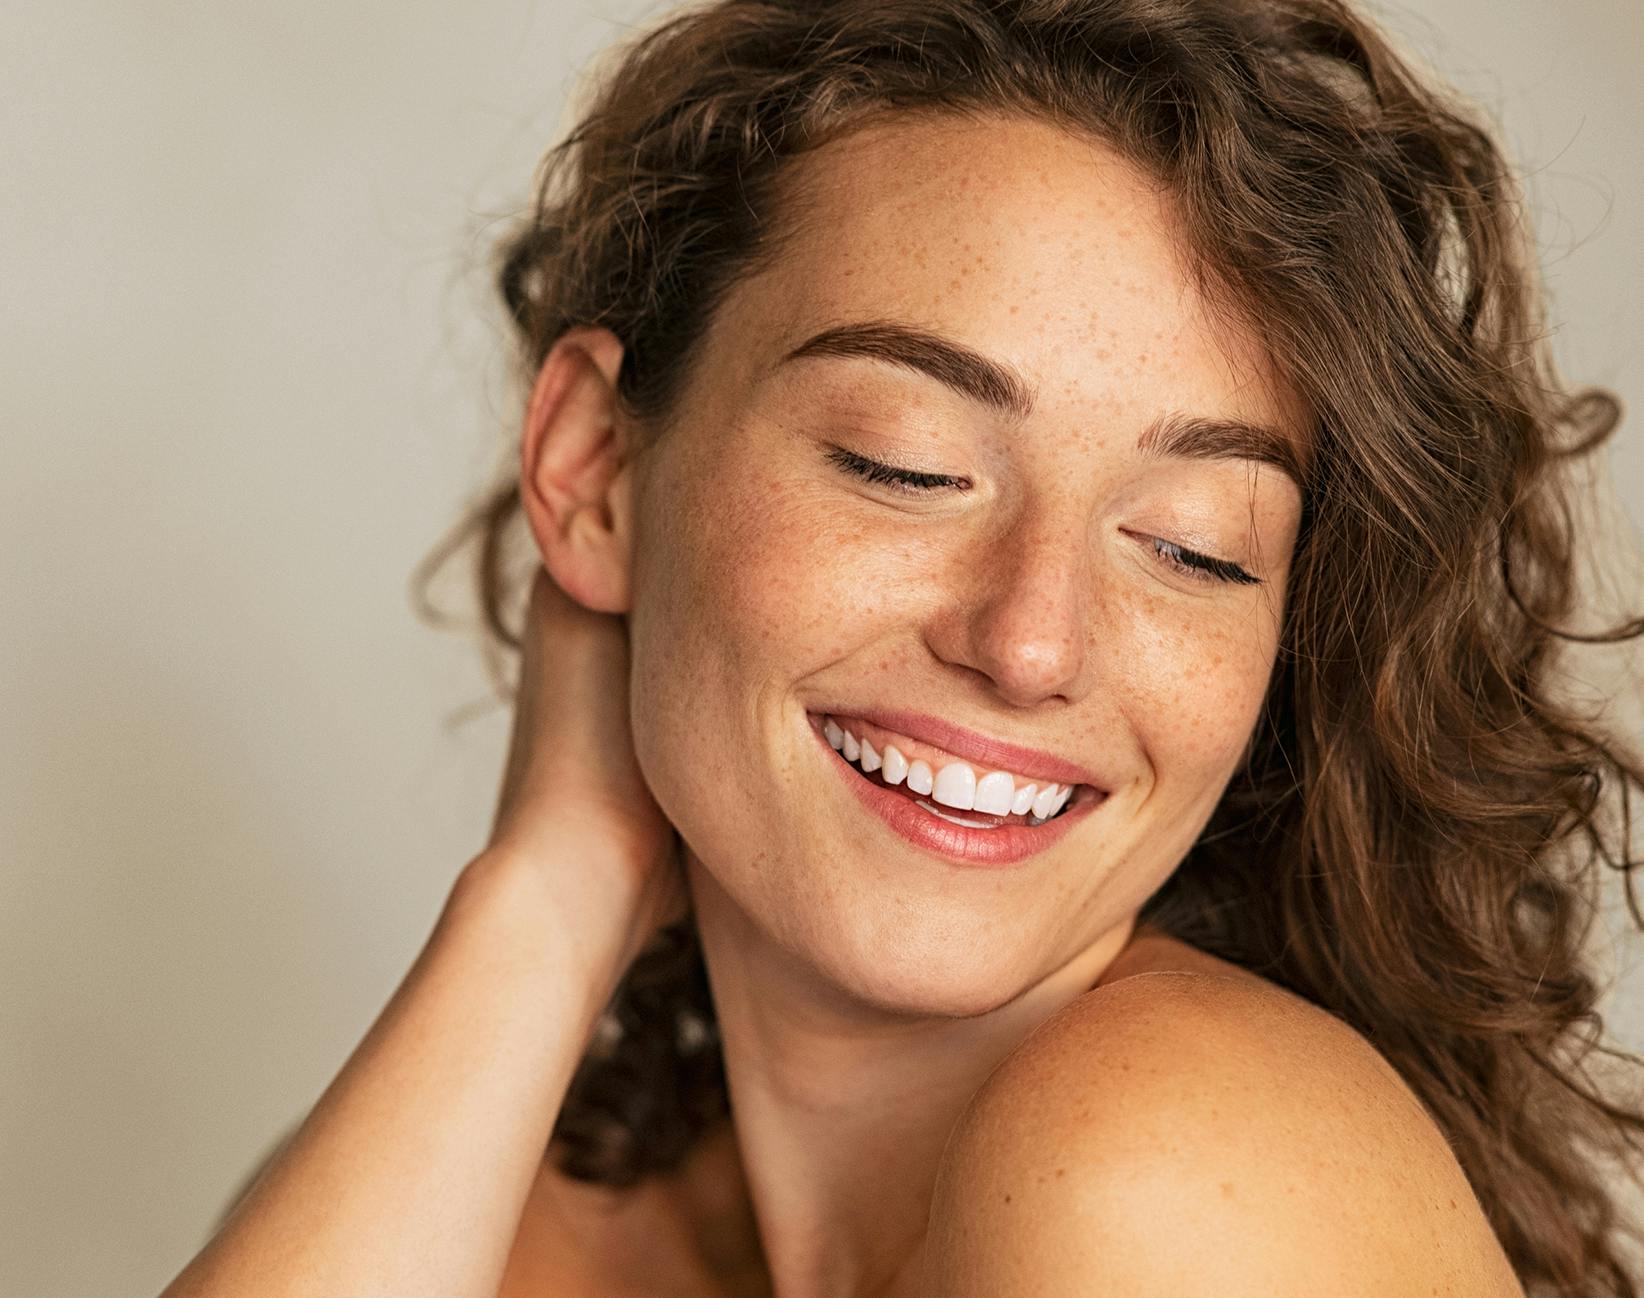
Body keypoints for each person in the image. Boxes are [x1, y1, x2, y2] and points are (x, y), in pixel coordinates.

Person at [160, 0, 1644, 1294]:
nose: (1031, 640)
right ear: (596, 468)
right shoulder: (517, 1208)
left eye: (1195, 546)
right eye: (905, 462)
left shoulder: (1168, 1159)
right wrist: (550, 888)